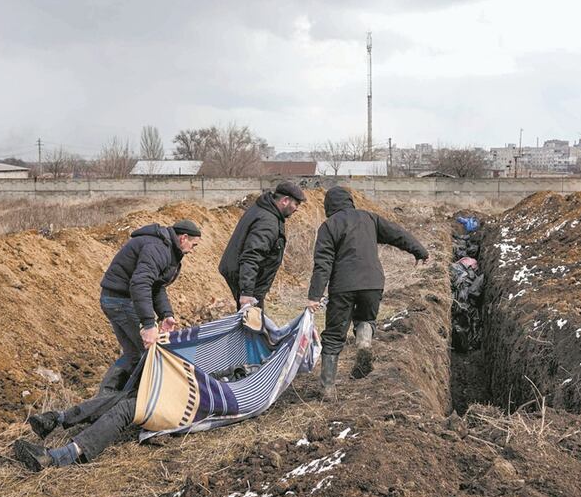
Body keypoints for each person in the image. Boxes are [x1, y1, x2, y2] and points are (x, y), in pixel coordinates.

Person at [23, 219, 201, 441]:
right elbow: (140, 283)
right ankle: (115, 409)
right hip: (121, 301)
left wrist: (166, 314)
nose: (193, 251)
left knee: (135, 356)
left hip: (115, 299)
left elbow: (156, 286)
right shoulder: (158, 248)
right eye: (194, 245)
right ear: (183, 238)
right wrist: (147, 324)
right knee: (149, 356)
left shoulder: (167, 248)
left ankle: (101, 404)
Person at [306, 186, 428, 401]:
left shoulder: (329, 226)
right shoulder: (369, 218)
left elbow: (322, 264)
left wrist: (315, 296)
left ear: (328, 205)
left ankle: (327, 389)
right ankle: (363, 343)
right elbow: (397, 234)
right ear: (350, 201)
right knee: (366, 318)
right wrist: (419, 250)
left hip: (343, 286)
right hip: (373, 282)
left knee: (334, 336)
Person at [218, 182, 305, 310]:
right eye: (296, 204)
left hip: (247, 278)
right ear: (285, 200)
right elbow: (251, 256)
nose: (297, 208)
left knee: (254, 322)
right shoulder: (267, 222)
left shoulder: (264, 210)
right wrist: (246, 293)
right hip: (249, 281)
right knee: (253, 324)